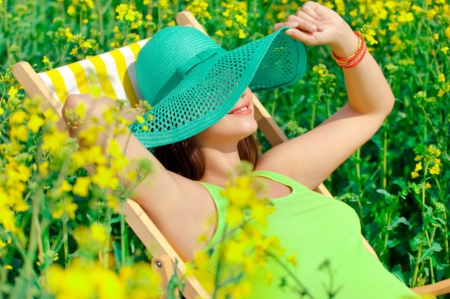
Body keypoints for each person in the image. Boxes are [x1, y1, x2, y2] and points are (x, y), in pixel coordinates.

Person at [63, 1, 422, 298]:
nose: (238, 89)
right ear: (176, 114)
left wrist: (344, 40)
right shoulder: (188, 206)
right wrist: (143, 119)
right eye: (211, 86)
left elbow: (370, 109)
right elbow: (81, 107)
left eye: (235, 74)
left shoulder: (280, 170)